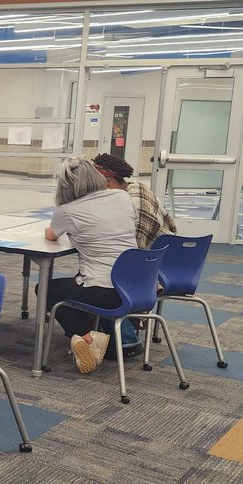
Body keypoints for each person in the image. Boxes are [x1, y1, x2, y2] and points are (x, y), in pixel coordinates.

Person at [40, 157, 137, 374]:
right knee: (78, 281)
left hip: (107, 290)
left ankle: (88, 337)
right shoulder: (121, 197)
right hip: (138, 284)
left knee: (46, 289)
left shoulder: (66, 211)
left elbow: (51, 235)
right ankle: (102, 335)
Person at [93, 153, 176, 360]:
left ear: (108, 181)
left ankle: (126, 339)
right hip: (163, 260)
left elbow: (129, 250)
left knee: (101, 276)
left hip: (146, 268)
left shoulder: (127, 202)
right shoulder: (138, 188)